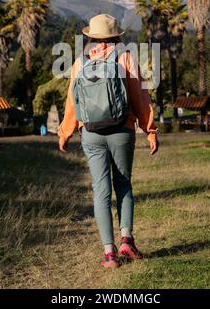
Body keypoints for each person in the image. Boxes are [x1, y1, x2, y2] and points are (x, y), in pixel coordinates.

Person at [58, 14, 158, 268]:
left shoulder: (80, 62)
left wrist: (65, 131)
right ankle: (127, 241)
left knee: (100, 191)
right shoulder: (125, 57)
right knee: (123, 184)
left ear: (91, 35)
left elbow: (72, 102)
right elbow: (139, 97)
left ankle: (109, 254)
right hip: (121, 130)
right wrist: (150, 130)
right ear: (116, 36)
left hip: (90, 133)